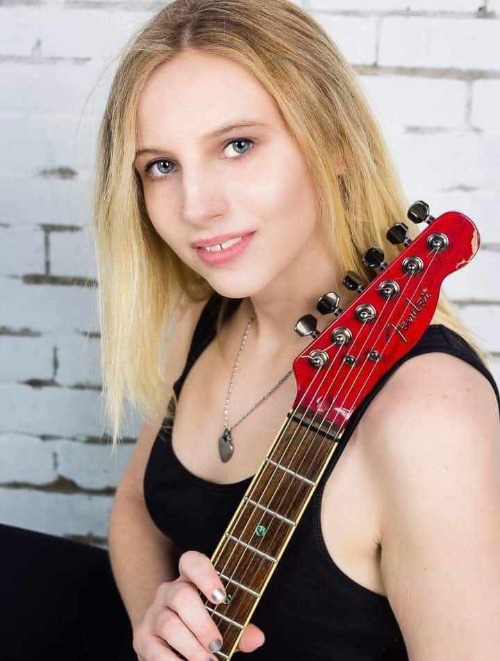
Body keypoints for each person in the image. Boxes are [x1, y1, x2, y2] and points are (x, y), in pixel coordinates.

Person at [3, 1, 500, 660]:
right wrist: (155, 626)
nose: (196, 206)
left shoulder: (430, 414)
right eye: (161, 165)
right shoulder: (202, 320)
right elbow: (134, 512)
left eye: (237, 145)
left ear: (335, 143)